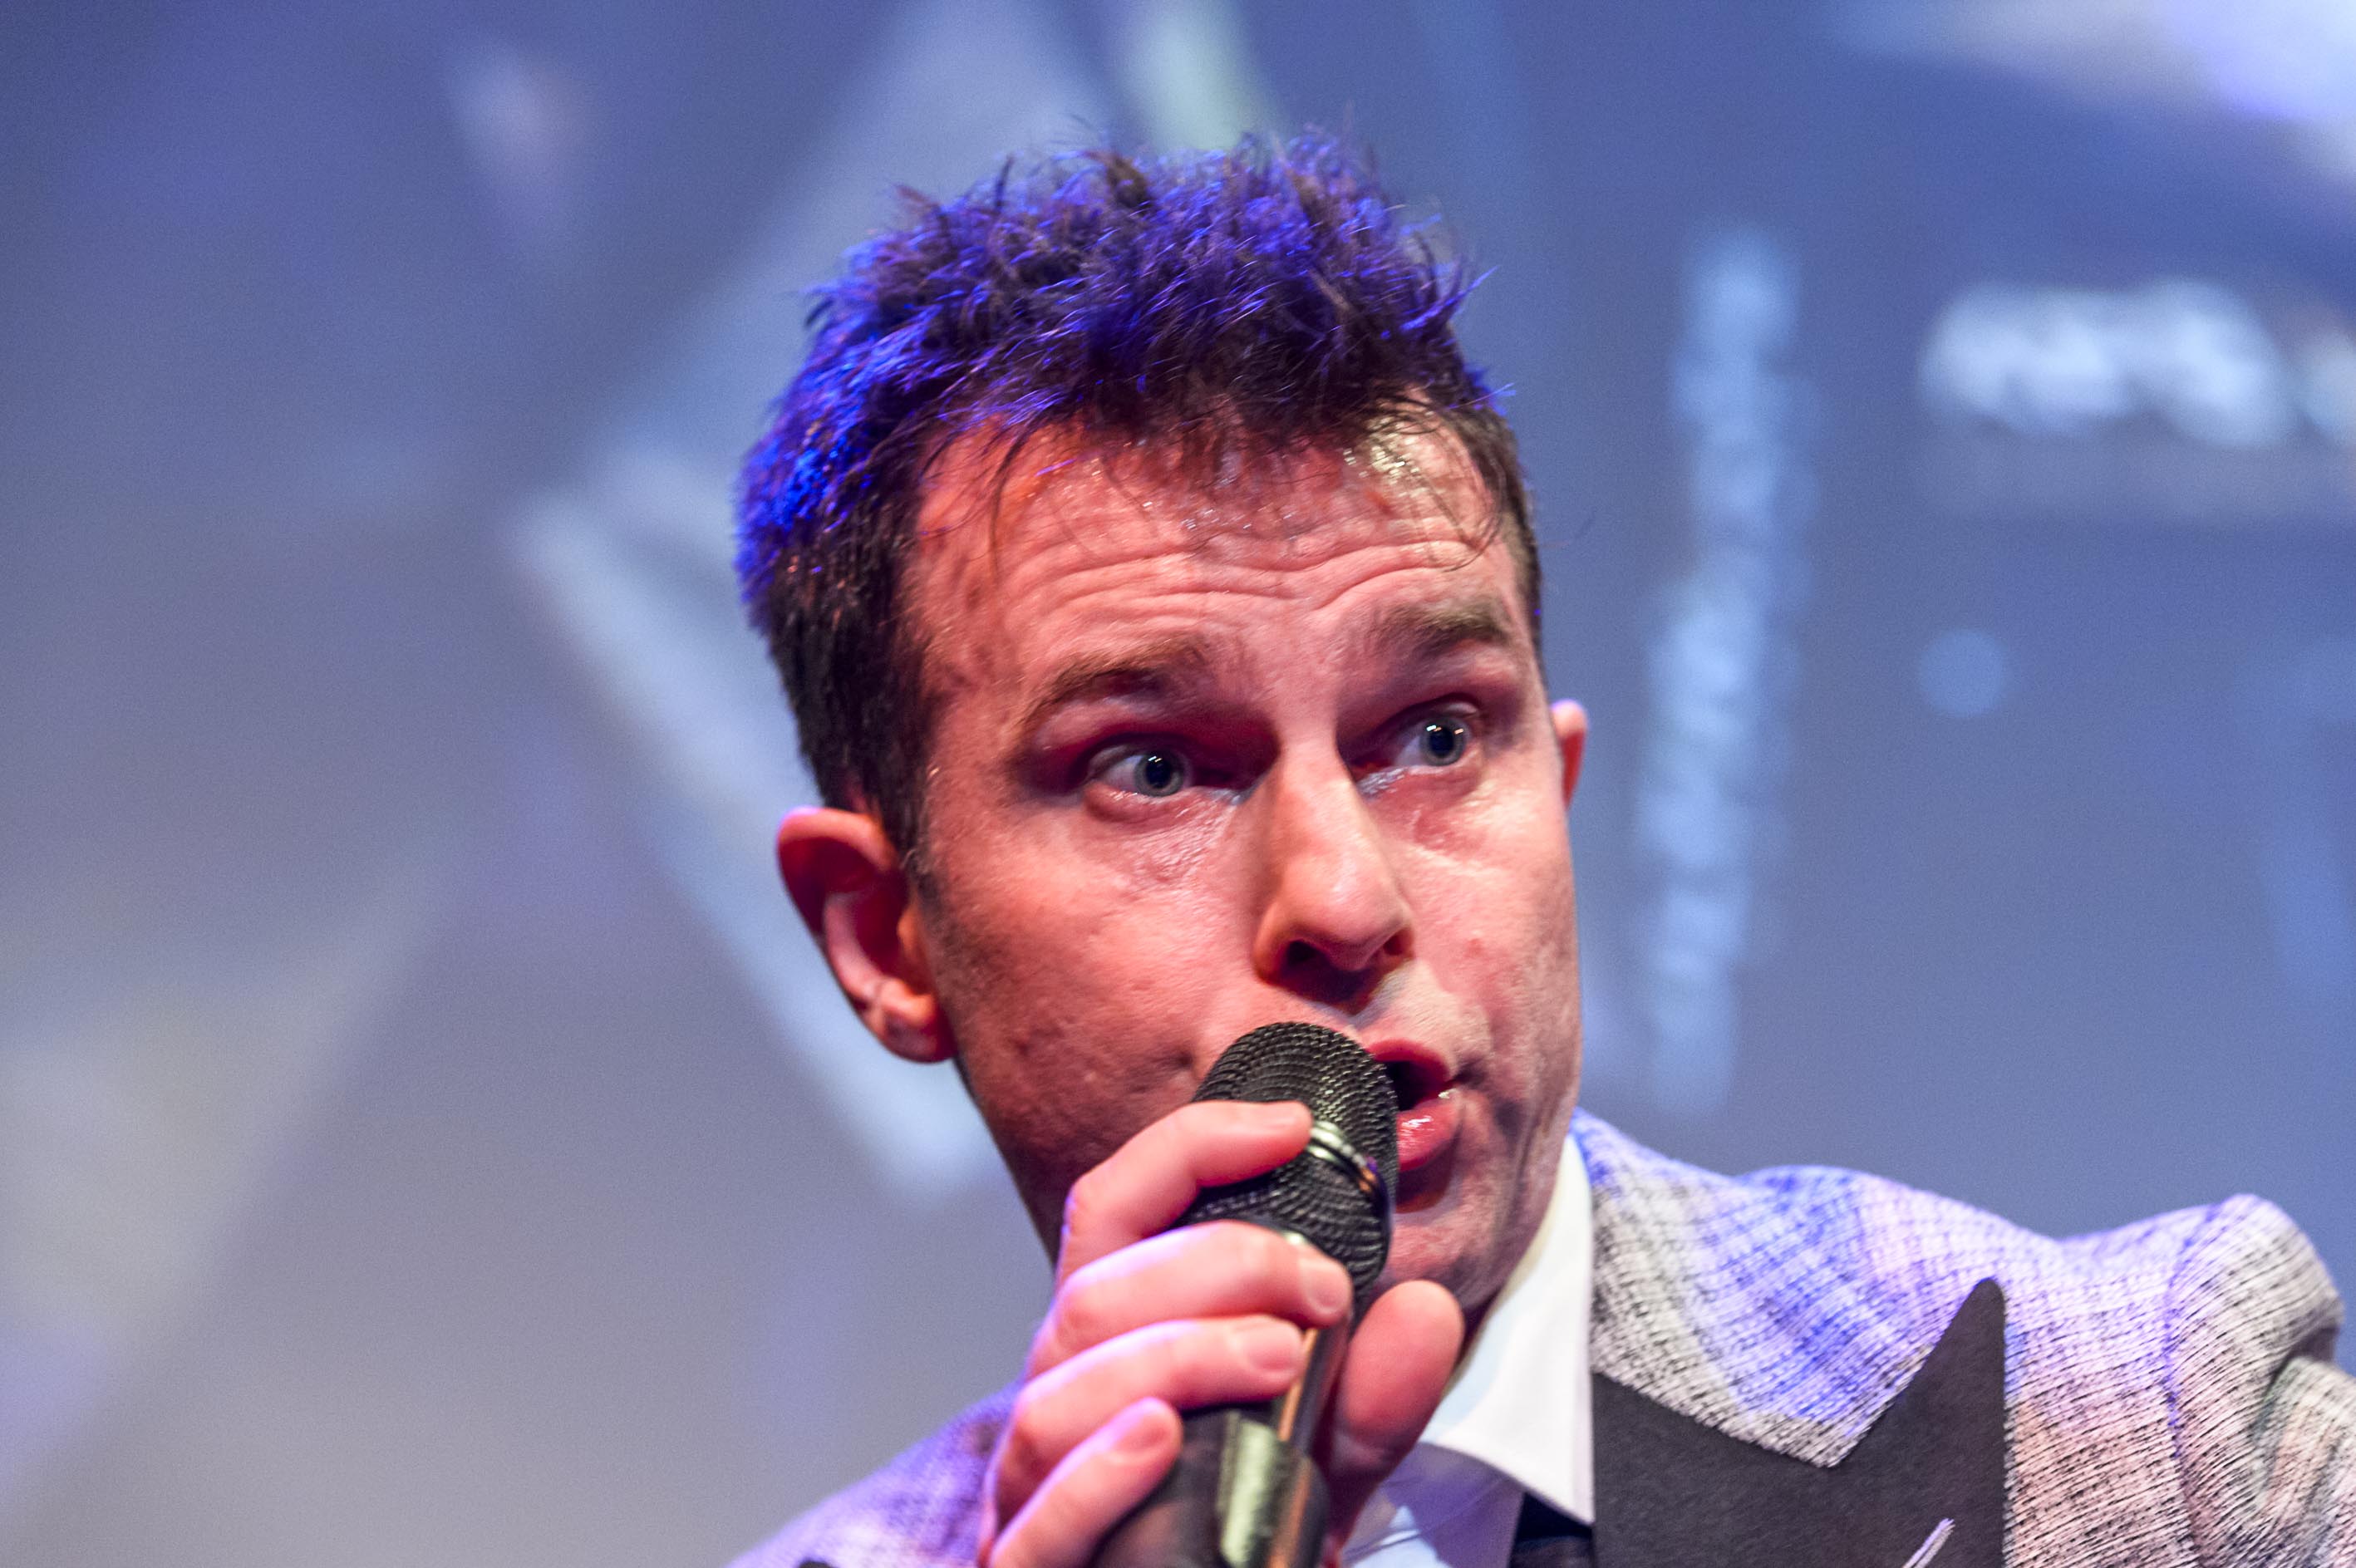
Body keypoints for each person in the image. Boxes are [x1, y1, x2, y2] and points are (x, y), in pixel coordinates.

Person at [727, 136, 2354, 1568]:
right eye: (1151, 769)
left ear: (1554, 787)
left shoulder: (2149, 1437)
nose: (1345, 900)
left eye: (1436, 735)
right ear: (885, 936)